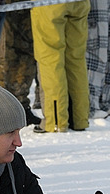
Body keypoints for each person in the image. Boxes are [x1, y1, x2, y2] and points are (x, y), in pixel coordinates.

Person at [30, 0, 91, 132]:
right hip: (80, 3)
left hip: (49, 5)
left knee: (50, 60)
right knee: (76, 59)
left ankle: (56, 121)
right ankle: (79, 118)